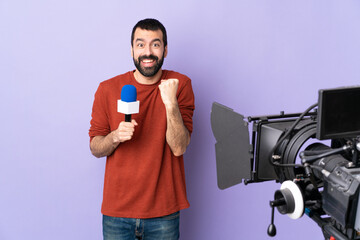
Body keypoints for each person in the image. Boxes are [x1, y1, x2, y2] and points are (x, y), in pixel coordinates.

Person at [89, 18, 195, 240]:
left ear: (165, 50)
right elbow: (96, 148)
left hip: (163, 213)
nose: (148, 52)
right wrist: (115, 136)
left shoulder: (179, 84)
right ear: (131, 50)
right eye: (141, 44)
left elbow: (178, 147)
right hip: (117, 213)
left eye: (155, 44)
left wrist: (171, 103)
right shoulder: (107, 89)